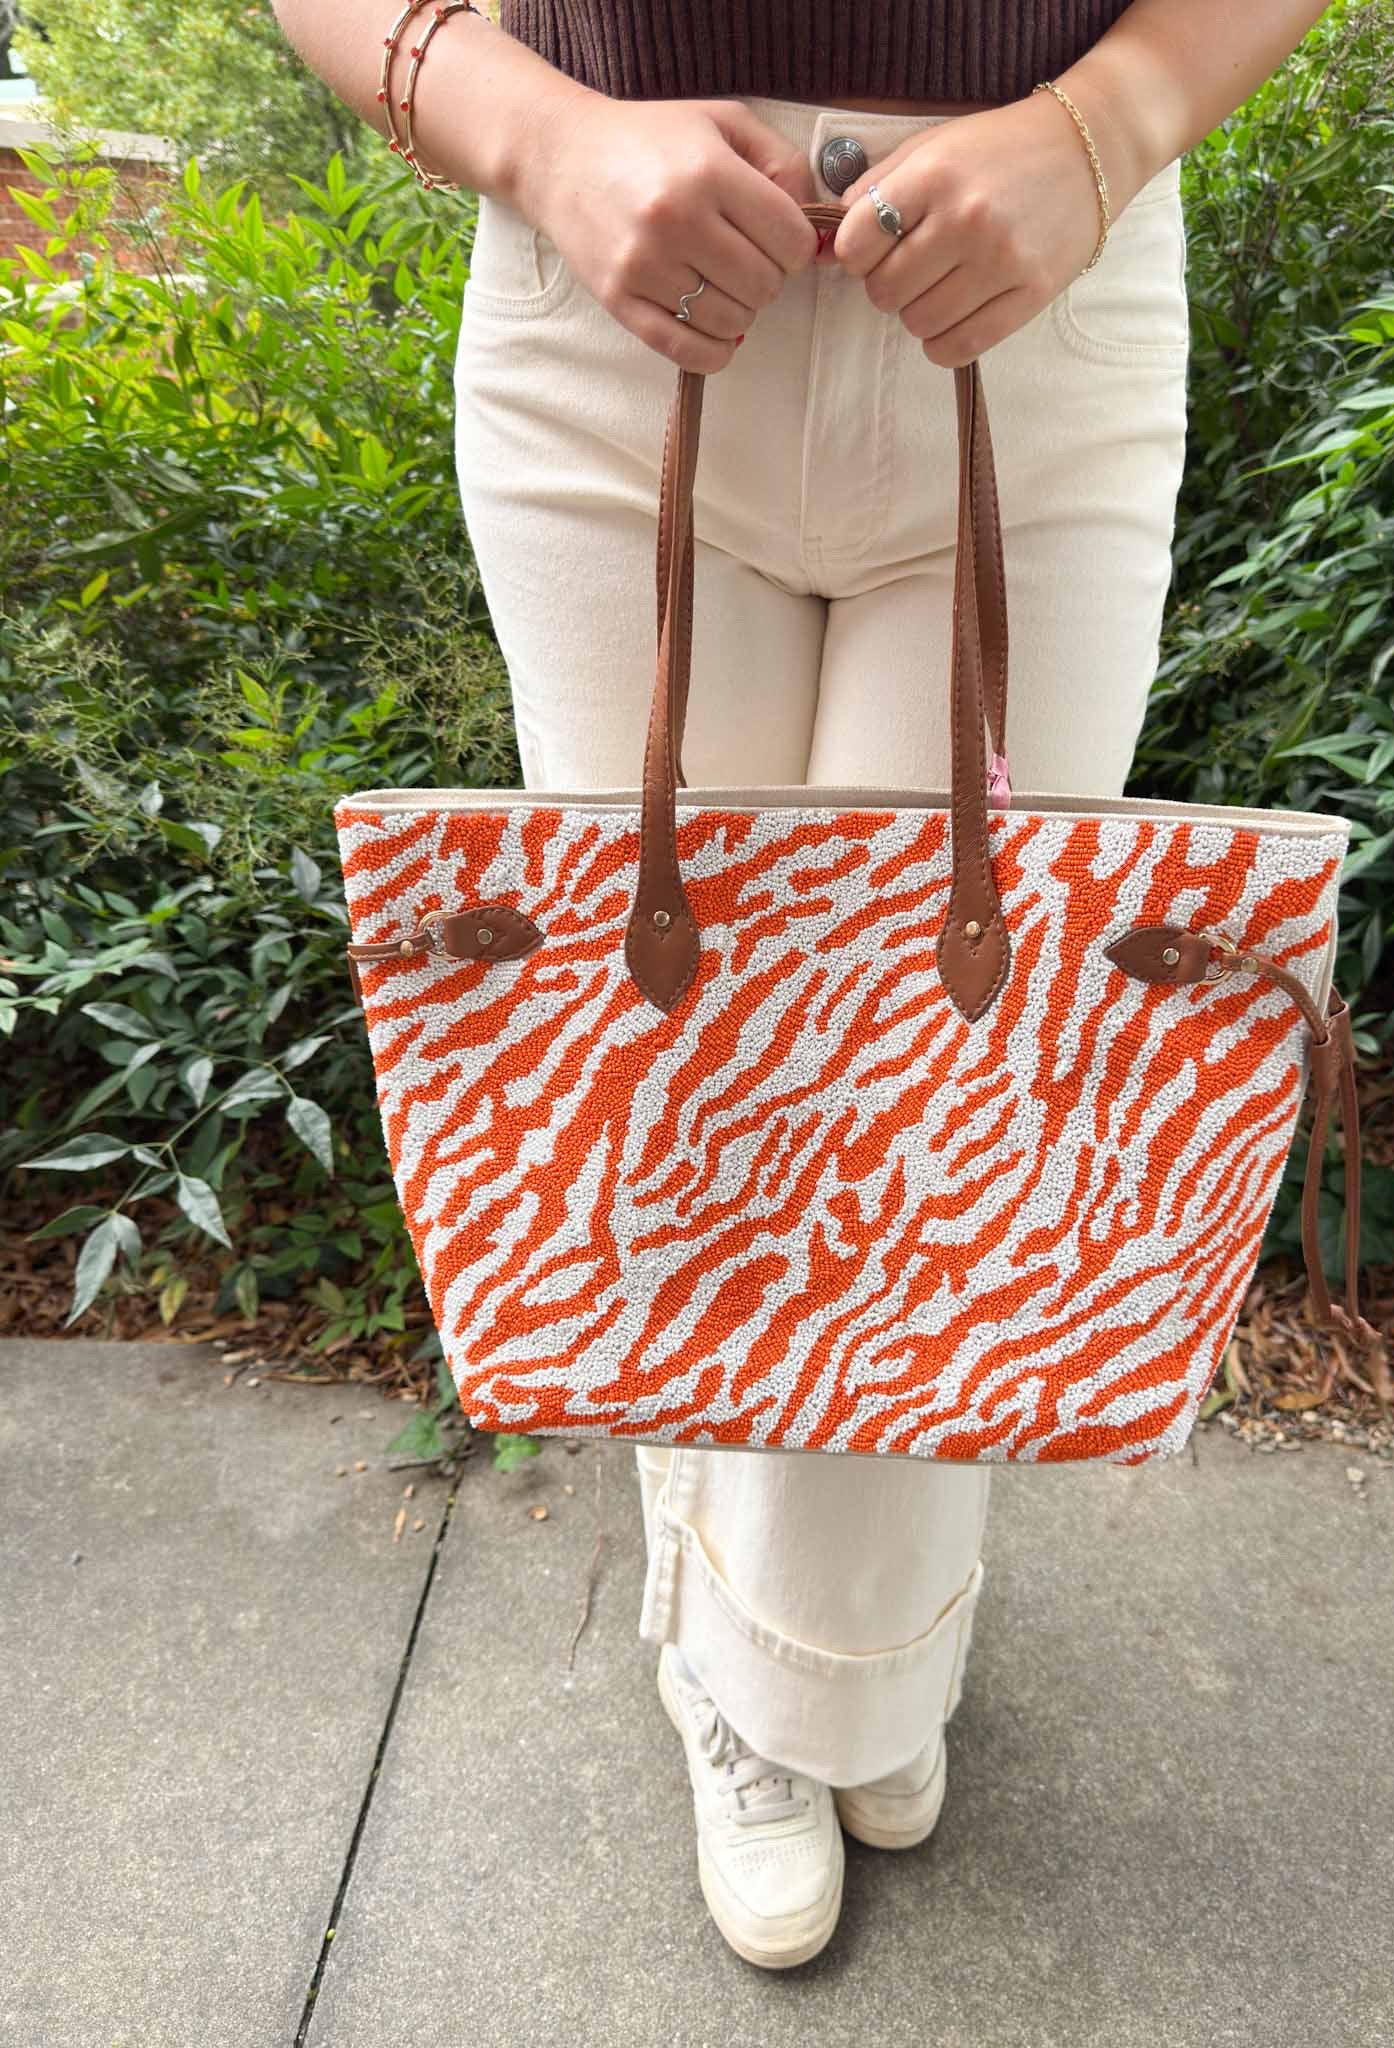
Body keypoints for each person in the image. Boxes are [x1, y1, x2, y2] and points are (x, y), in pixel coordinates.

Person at [273, 0, 1331, 1974]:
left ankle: (830, 1667)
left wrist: (1104, 130)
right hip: (617, 284)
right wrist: (532, 133)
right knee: (688, 1071)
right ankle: (771, 1685)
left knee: (937, 1088)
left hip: (1029, 281)